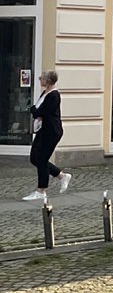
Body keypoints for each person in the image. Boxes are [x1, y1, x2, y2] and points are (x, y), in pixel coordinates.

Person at [23, 70, 71, 202]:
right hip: (43, 131)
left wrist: (34, 110)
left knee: (42, 160)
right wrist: (35, 111)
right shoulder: (45, 93)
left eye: (42, 78)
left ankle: (41, 190)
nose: (40, 80)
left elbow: (40, 111)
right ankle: (61, 176)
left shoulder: (53, 96)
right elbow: (37, 111)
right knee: (35, 158)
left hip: (51, 132)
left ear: (48, 81)